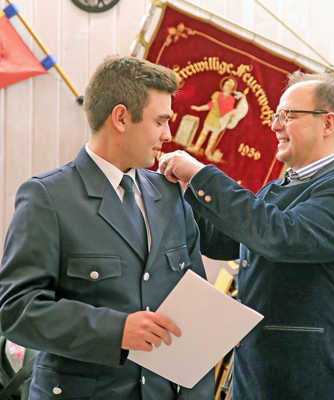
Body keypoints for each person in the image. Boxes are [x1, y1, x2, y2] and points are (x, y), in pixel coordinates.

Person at [159, 71, 334, 400]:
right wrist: (179, 195)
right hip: (264, 374)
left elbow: (280, 236)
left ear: (328, 123)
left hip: (319, 378)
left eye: (287, 115)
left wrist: (203, 176)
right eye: (276, 115)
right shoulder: (279, 188)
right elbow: (225, 240)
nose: (275, 125)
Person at [0, 55, 213, 400]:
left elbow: (195, 311)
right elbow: (16, 310)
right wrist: (116, 330)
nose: (168, 135)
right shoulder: (48, 198)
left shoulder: (170, 193)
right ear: (121, 117)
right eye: (160, 122)